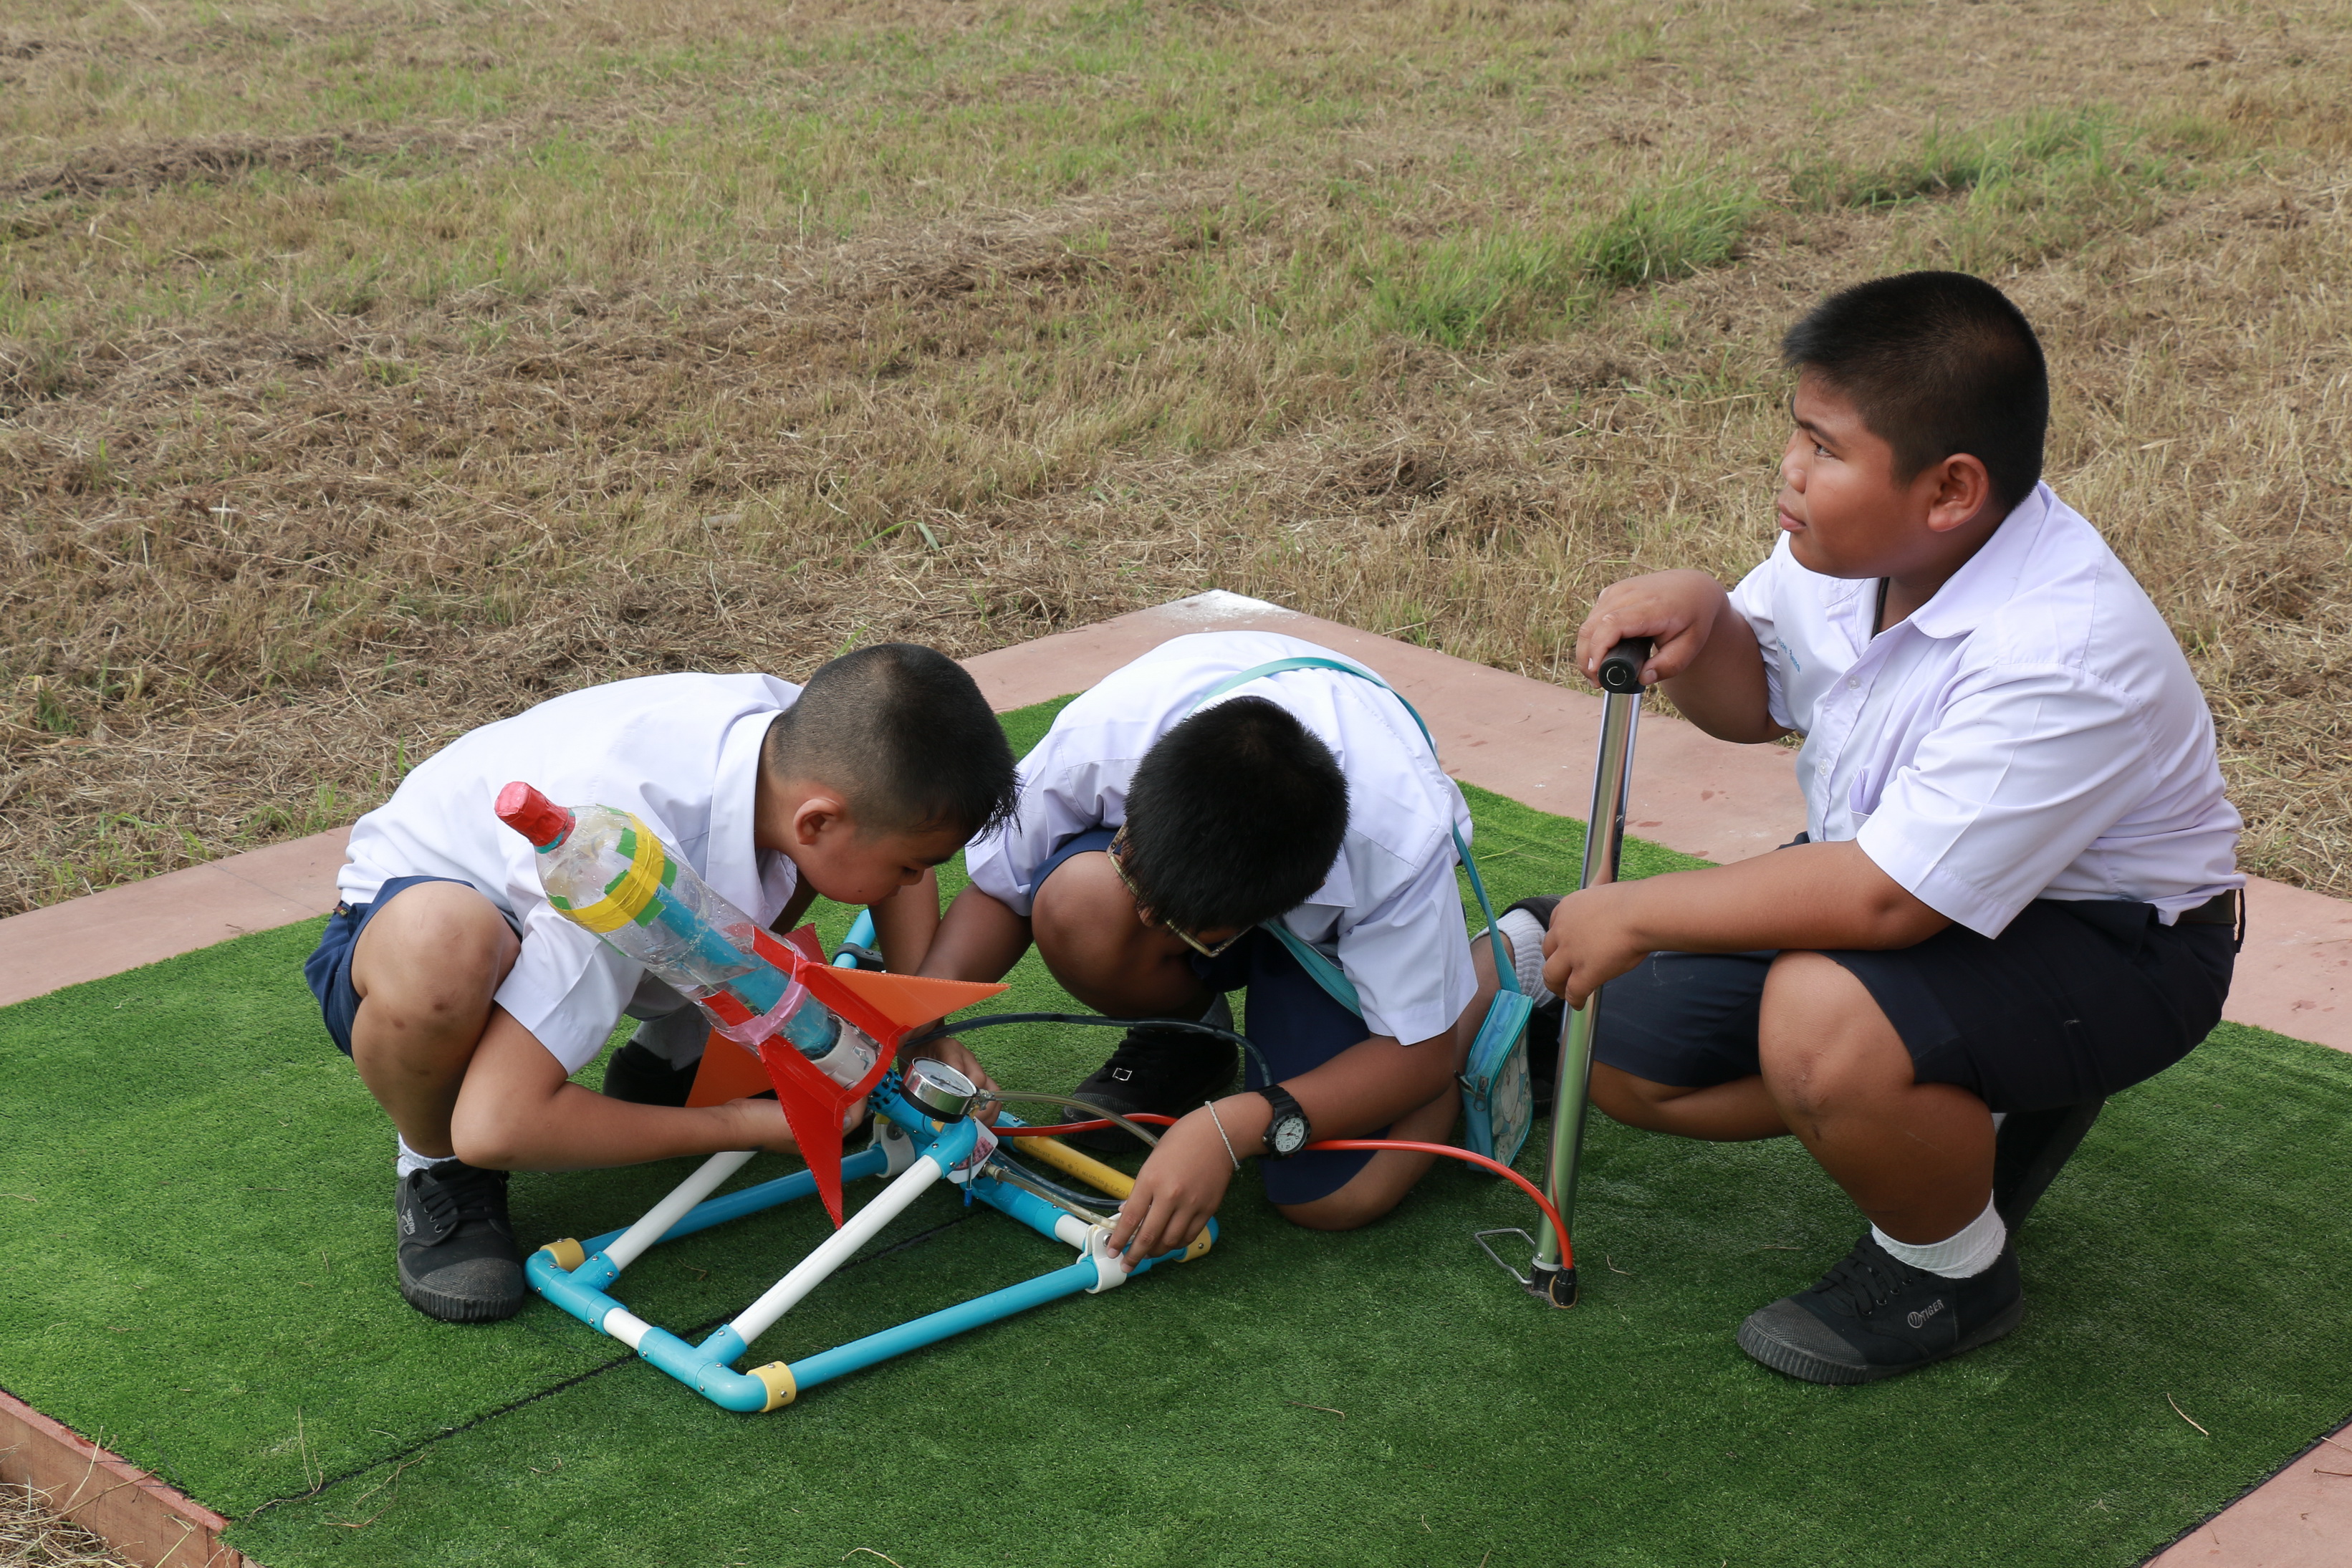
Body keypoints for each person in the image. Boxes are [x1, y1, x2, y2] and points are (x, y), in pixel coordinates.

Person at [1513, 271, 2241, 1383]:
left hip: (2112, 943)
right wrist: (1704, 621)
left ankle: (1946, 1271)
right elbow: (1755, 700)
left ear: (1949, 489)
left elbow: (1884, 901)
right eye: (1793, 433)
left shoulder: (2061, 650)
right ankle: (1963, 1105)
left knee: (1819, 1019)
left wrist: (1635, 910)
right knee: (1618, 1048)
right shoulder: (1851, 555)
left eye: (1823, 447)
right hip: (1896, 873)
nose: (1788, 469)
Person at [304, 645, 1017, 1323]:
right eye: (911, 867)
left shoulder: (810, 744)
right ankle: (435, 1166)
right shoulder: (609, 868)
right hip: (411, 926)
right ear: (819, 819)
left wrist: (923, 1028)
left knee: (798, 864)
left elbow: (881, 835)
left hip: (620, 874)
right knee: (443, 945)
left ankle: (671, 1055)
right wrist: (740, 1125)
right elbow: (497, 1125)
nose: (913, 883)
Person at [920, 630, 1506, 1264]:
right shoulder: (1109, 735)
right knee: (1080, 907)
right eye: (1131, 866)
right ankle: (1191, 1040)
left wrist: (1229, 1128)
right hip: (1248, 862)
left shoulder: (1400, 845)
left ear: (1266, 916)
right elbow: (1000, 885)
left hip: (1347, 929)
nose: (1144, 916)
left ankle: (1488, 977)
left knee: (1333, 1197)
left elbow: (1416, 1057)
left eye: (1176, 927)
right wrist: (921, 1019)